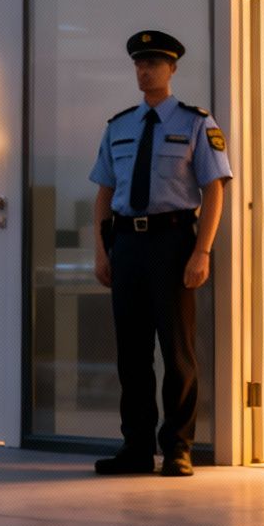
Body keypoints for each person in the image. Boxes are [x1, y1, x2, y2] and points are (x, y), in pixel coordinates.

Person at [88, 29, 231, 477]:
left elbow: (214, 189)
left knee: (177, 351)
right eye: (138, 63)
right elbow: (104, 192)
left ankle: (177, 448)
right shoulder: (119, 126)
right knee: (131, 354)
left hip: (173, 243)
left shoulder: (195, 123)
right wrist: (102, 251)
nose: (144, 71)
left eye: (152, 63)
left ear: (172, 69)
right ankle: (135, 447)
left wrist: (202, 251)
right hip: (127, 243)